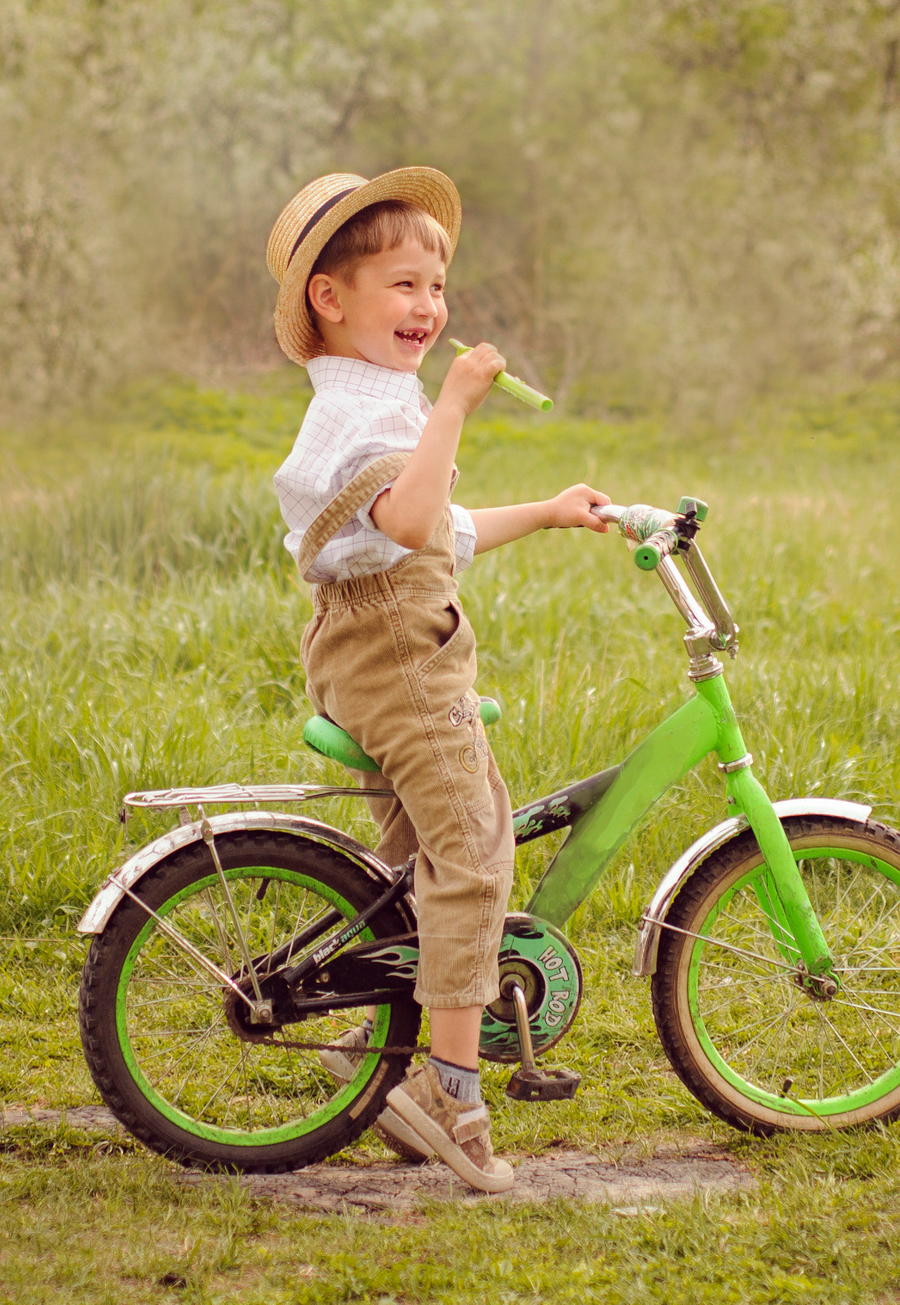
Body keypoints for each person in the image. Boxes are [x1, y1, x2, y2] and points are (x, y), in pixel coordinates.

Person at [266, 167, 610, 1194]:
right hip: (402, 668)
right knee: (471, 855)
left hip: (379, 654)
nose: (430, 308)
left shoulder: (371, 400)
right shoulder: (369, 418)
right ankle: (450, 1096)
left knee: (416, 859)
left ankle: (370, 1047)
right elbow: (410, 522)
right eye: (403, 285)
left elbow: (435, 531)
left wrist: (545, 511)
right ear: (331, 298)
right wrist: (457, 405)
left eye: (437, 284)